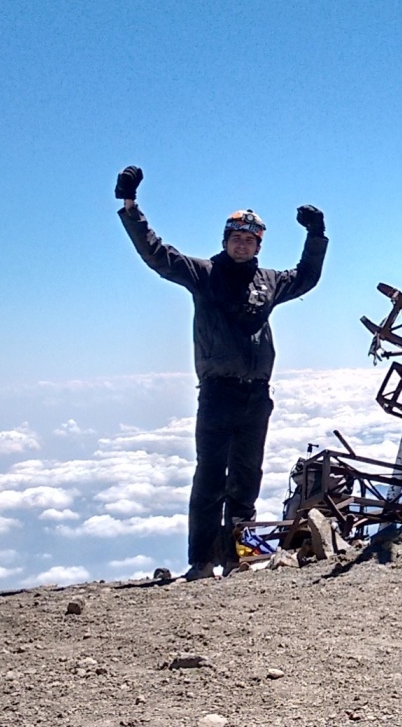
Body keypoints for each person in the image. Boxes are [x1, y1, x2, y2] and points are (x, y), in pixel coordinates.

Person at [114, 166, 328, 581]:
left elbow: (306, 277)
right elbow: (157, 254)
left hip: (256, 395)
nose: (242, 245)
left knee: (247, 477)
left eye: (249, 239)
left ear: (258, 244)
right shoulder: (204, 274)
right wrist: (129, 206)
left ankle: (240, 559)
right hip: (217, 392)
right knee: (210, 478)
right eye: (236, 238)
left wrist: (316, 235)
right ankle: (202, 562)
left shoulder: (268, 281)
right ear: (225, 241)